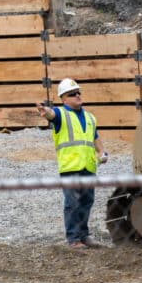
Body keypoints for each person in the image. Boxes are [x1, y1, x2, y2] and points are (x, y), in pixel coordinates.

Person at [36, 77, 108, 249]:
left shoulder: (90, 117)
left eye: (78, 92)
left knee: (86, 202)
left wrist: (101, 152)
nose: (77, 95)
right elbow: (51, 115)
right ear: (63, 99)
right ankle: (73, 238)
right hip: (70, 167)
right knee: (72, 203)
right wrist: (46, 111)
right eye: (72, 94)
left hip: (88, 166)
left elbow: (95, 137)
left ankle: (84, 235)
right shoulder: (61, 114)